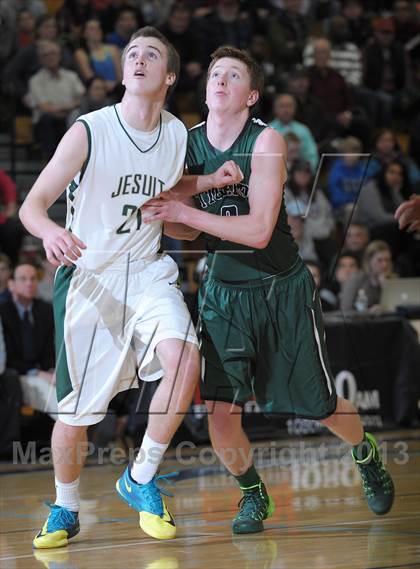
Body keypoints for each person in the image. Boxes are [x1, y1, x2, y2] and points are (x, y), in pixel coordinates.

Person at [143, 45, 395, 535]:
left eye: (233, 75)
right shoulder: (185, 144)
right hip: (224, 293)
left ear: (251, 94)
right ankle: (253, 493)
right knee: (219, 413)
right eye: (215, 73)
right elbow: (191, 233)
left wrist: (182, 210)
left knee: (319, 404)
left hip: (280, 289)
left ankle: (366, 454)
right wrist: (173, 211)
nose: (220, 80)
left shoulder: (267, 142)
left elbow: (259, 230)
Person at [19, 26, 238, 548]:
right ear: (123, 73)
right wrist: (50, 231)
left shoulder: (178, 135)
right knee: (76, 414)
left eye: (151, 55)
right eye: (132, 54)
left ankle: (140, 476)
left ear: (167, 77)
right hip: (90, 279)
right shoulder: (88, 131)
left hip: (146, 271)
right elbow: (32, 205)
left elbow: (168, 186)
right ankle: (66, 507)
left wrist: (207, 184)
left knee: (186, 360)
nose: (138, 60)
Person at [340, 240, 394, 312]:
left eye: (387, 260)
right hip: (360, 322)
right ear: (369, 261)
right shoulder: (356, 279)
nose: (384, 265)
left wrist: (386, 287)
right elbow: (345, 311)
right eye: (379, 260)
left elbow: (396, 308)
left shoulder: (394, 280)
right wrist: (368, 312)